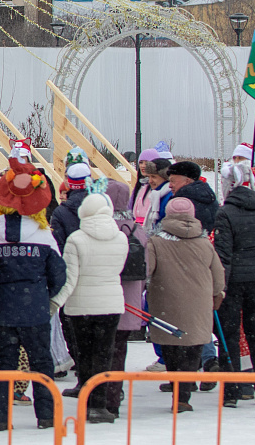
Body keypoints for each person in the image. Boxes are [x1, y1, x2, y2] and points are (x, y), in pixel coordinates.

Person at [0, 159, 66, 431]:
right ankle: (46, 416)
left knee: (3, 366)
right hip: (35, 311)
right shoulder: (44, 235)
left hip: (2, 309)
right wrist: (42, 294)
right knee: (41, 363)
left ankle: (1, 419)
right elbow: (59, 274)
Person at [50, 193, 128, 423]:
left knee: (84, 356)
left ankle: (87, 402)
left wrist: (55, 302)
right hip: (112, 304)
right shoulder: (121, 238)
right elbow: (117, 271)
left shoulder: (76, 239)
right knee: (105, 355)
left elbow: (70, 278)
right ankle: (100, 404)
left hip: (81, 306)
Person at [148, 197, 225, 411]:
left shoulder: (156, 241)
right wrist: (217, 294)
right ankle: (183, 396)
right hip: (199, 302)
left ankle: (177, 387)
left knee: (171, 348)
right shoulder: (204, 242)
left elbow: (148, 270)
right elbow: (218, 273)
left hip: (166, 302)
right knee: (193, 349)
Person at [212, 162, 255, 406]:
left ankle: (231, 390)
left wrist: (220, 285)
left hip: (234, 279)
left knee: (229, 333)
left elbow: (224, 253)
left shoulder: (225, 212)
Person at [104, 179, 148, 417]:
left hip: (103, 300)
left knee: (100, 349)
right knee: (119, 349)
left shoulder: (101, 227)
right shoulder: (137, 230)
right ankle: (114, 394)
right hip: (129, 301)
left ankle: (99, 394)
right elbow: (147, 268)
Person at [167, 160, 219, 232]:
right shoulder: (208, 197)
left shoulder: (183, 204)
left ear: (187, 181)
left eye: (173, 181)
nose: (170, 186)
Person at [50, 163, 92, 251]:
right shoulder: (102, 204)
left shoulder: (61, 212)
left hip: (71, 260)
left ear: (69, 182)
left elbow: (58, 247)